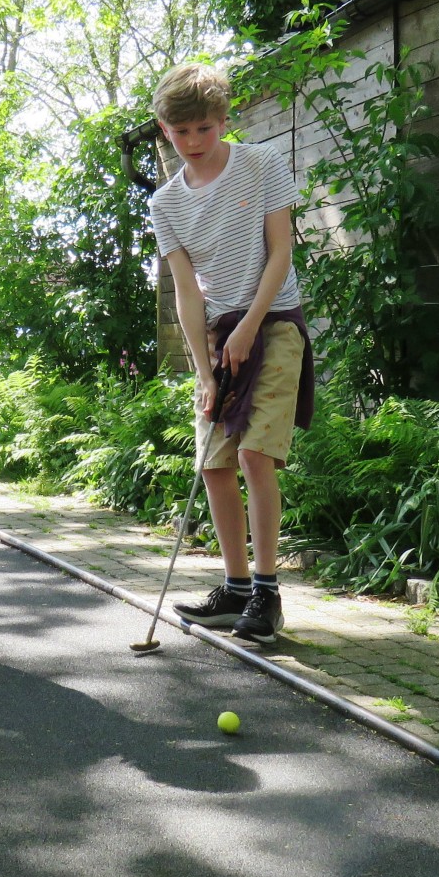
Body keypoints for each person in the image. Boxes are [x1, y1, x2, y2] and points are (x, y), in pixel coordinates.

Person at [151, 63, 315, 647]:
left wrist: (249, 327)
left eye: (202, 129)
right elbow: (187, 293)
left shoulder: (261, 164)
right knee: (214, 463)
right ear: (164, 129)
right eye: (180, 131)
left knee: (253, 456)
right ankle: (236, 588)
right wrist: (202, 368)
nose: (192, 143)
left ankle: (268, 595)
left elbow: (280, 255)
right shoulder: (165, 203)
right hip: (219, 337)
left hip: (275, 324)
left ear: (222, 121)